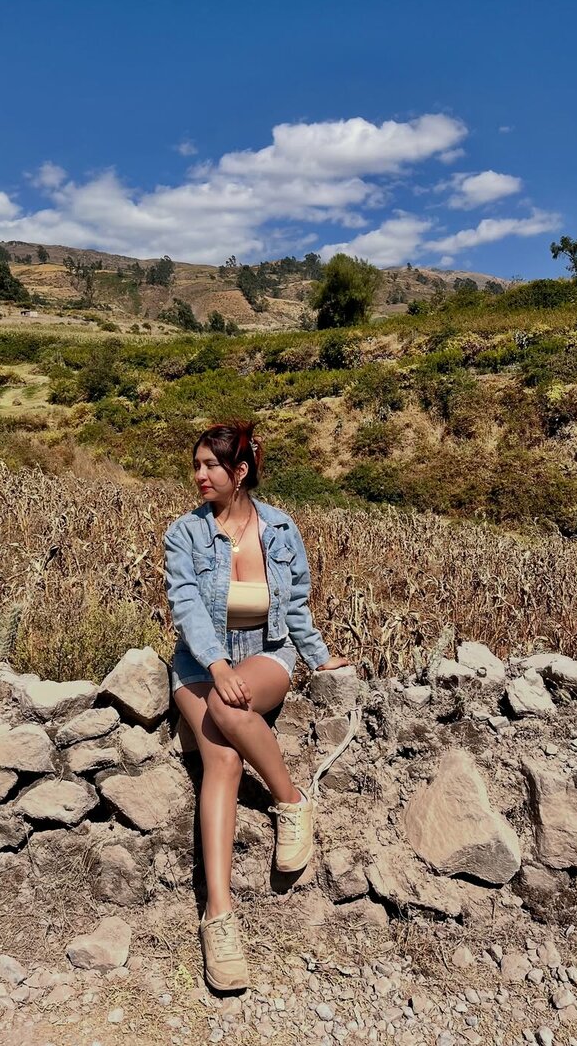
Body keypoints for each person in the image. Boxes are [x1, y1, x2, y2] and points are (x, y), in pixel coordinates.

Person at [163, 419, 351, 992]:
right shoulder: (184, 534)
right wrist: (218, 667)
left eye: (210, 466)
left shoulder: (280, 530)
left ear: (239, 471)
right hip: (199, 664)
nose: (199, 475)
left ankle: (291, 803)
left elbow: (295, 606)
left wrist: (319, 657)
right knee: (221, 756)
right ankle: (218, 918)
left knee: (229, 713)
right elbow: (186, 606)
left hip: (267, 652)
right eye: (196, 465)